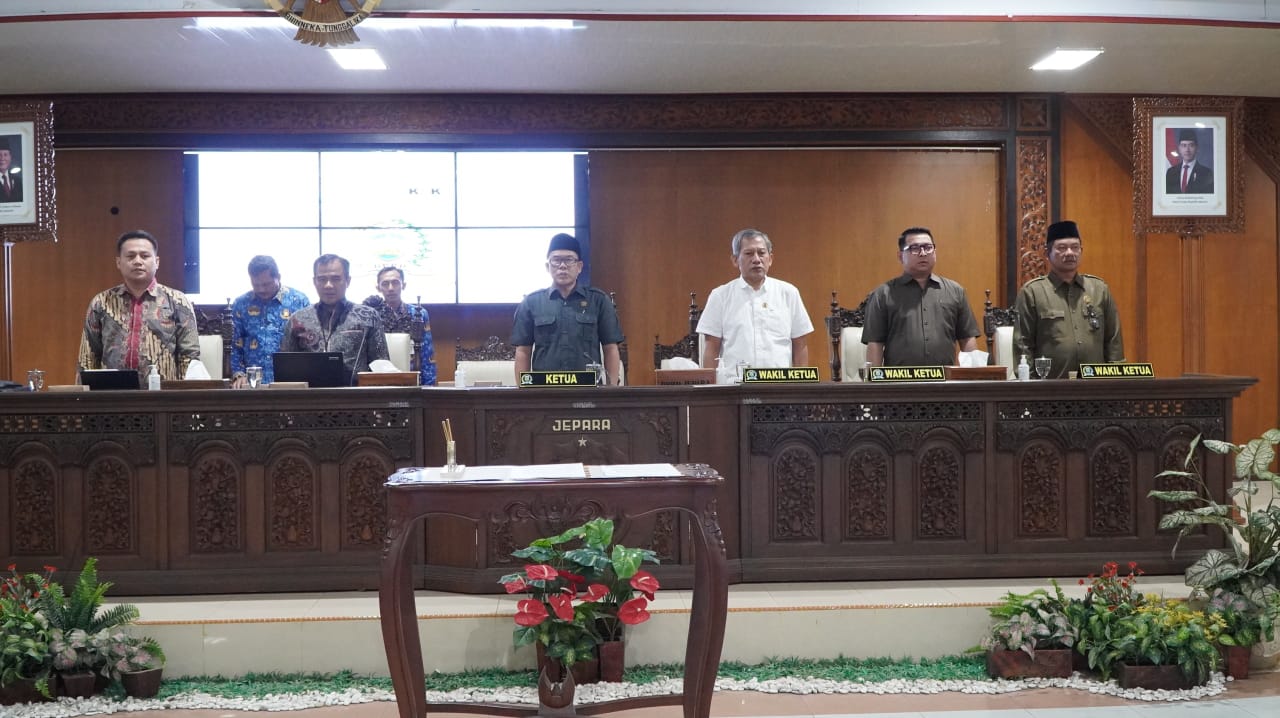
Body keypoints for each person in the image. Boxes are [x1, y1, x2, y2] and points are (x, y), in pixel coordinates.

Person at [78, 229, 200, 384]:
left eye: (144, 256)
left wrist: (185, 400)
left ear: (157, 262)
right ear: (118, 262)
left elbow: (189, 357)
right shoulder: (101, 302)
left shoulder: (178, 301)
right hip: (110, 396)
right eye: (130, 256)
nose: (137, 261)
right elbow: (88, 356)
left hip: (163, 397)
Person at [1012, 220, 1124, 378]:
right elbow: (1023, 345)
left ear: (1081, 251)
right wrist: (1030, 390)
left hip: (1095, 389)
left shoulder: (1099, 289)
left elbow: (1113, 341)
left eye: (1075, 247)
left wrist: (1116, 385)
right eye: (1062, 248)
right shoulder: (1032, 292)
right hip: (1050, 390)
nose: (1070, 253)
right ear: (1047, 253)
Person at [512, 233, 625, 385]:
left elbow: (610, 348)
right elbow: (523, 351)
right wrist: (522, 394)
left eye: (569, 260)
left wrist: (611, 390)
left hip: (588, 391)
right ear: (548, 266)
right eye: (556, 260)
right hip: (544, 392)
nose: (562, 266)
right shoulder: (531, 302)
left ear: (579, 267)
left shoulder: (598, 300)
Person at [696, 228, 813, 371]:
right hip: (735, 386)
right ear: (735, 260)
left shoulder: (789, 293)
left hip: (780, 386)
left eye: (762, 253)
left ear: (770, 259)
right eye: (749, 253)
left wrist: (801, 390)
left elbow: (800, 346)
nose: (756, 259)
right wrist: (711, 390)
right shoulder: (720, 296)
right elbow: (711, 349)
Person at [862, 227, 980, 367]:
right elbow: (875, 343)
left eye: (928, 247)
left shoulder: (955, 291)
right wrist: (874, 384)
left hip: (945, 381)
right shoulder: (883, 294)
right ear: (900, 256)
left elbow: (967, 338)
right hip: (899, 382)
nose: (923, 253)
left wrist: (974, 379)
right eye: (914, 248)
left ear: (934, 252)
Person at [280, 254, 388, 384]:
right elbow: (286, 370)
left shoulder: (368, 317)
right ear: (315, 281)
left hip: (357, 398)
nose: (328, 285)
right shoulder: (298, 320)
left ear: (348, 281)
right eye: (322, 279)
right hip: (309, 399)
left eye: (336, 279)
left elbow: (381, 367)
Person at [230, 255, 311, 388]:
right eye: (256, 284)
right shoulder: (241, 304)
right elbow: (236, 346)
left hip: (291, 382)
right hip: (251, 384)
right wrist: (239, 374)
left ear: (278, 277)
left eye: (266, 284)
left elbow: (309, 347)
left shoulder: (299, 301)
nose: (261, 289)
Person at [362, 266, 437, 386]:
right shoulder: (370, 314)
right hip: (378, 379)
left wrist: (428, 385)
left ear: (404, 285)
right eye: (385, 284)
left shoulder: (418, 313)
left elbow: (427, 353)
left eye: (395, 283)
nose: (391, 288)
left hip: (411, 377)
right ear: (378, 287)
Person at [1165, 128, 1214, 194]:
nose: (1187, 150)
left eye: (1191, 145)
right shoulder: (1171, 172)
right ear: (1179, 148)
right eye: (1184, 145)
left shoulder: (1206, 173)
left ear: (1197, 148)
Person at [0, 137, 20, 204]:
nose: (2, 158)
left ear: (10, 157)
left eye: (5, 155)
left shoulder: (18, 181)